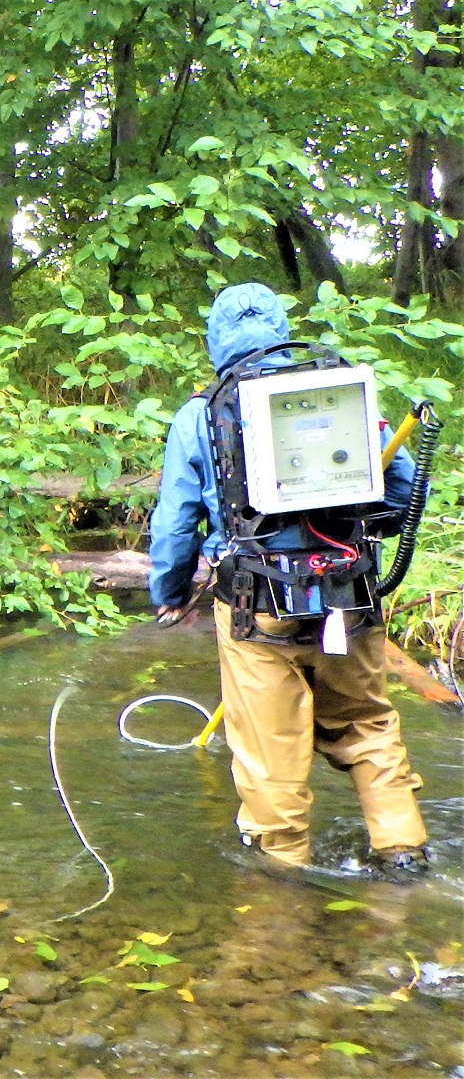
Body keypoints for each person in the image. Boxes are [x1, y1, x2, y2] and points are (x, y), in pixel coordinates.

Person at [147, 282, 427, 872]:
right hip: (349, 597)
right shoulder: (340, 391)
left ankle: (280, 893)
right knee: (367, 726)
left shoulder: (201, 414)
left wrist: (171, 594)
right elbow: (401, 493)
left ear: (214, 341)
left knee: (270, 755)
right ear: (280, 326)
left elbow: (173, 526)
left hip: (258, 607)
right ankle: (402, 852)